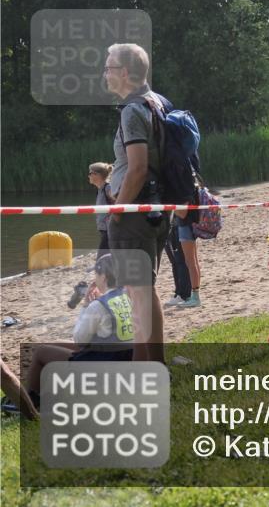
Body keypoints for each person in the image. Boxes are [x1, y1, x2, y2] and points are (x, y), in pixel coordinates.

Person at [103, 42, 169, 364]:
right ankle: (142, 366)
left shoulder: (132, 110)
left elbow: (138, 168)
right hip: (156, 209)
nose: (105, 74)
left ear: (125, 72)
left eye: (109, 67)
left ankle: (153, 368)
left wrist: (118, 209)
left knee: (140, 293)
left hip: (134, 214)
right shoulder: (157, 102)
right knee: (142, 291)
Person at [26, 254, 134, 405]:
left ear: (103, 277)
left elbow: (79, 340)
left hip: (103, 366)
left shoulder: (98, 305)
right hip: (124, 358)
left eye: (96, 274)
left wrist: (86, 306)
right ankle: (46, 393)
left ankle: (30, 402)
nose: (94, 278)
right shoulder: (129, 296)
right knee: (53, 344)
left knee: (41, 351)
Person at [163, 211, 202, 308]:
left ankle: (190, 295)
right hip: (184, 225)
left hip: (185, 225)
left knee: (188, 262)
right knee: (189, 262)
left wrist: (171, 207)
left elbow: (183, 213)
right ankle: (190, 295)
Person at [87, 162, 115, 261]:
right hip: (104, 229)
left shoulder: (108, 188)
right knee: (105, 257)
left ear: (97, 175)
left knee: (101, 258)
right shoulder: (100, 190)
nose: (88, 176)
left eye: (90, 173)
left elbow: (118, 203)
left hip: (110, 229)